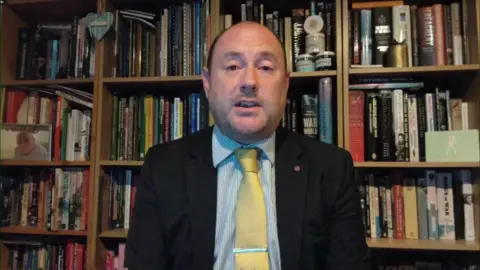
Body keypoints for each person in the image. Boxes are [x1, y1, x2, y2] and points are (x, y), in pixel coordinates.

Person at [125, 21, 371, 270]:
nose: (249, 82)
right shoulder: (163, 167)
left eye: (265, 67)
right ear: (208, 83)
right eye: (232, 66)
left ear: (285, 85)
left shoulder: (331, 168)